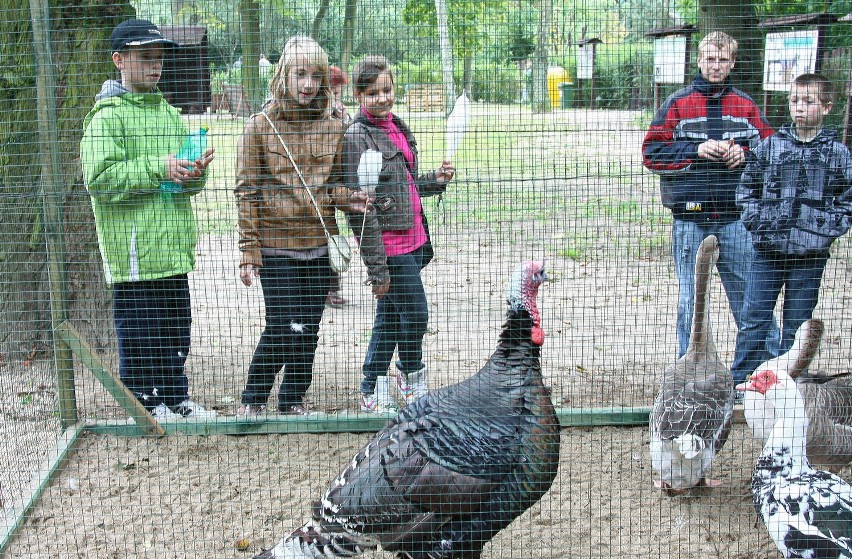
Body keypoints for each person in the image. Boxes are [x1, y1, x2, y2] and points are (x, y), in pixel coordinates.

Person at [80, 18, 217, 420]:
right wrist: (160, 166)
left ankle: (176, 400)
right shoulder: (105, 117)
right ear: (119, 60)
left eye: (159, 59)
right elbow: (100, 179)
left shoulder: (169, 114)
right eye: (145, 58)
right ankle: (145, 405)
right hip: (135, 255)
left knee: (176, 330)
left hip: (172, 249)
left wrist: (194, 172)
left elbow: (181, 184)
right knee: (142, 333)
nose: (155, 66)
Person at [234, 36, 373, 417]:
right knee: (282, 326)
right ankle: (253, 398)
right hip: (276, 244)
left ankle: (292, 400)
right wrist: (249, 249)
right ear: (284, 76)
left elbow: (335, 187)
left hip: (317, 244)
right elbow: (246, 191)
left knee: (307, 330)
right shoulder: (259, 126)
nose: (308, 84)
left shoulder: (337, 124)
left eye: (315, 75)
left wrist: (351, 199)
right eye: (300, 74)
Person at [642, 31, 780, 361]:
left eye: (722, 60)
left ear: (733, 63)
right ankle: (686, 373)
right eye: (709, 59)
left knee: (749, 296)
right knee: (691, 301)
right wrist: (696, 149)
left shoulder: (745, 105)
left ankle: (768, 372)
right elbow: (651, 153)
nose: (715, 66)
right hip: (690, 219)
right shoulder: (677, 103)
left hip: (736, 219)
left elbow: (774, 148)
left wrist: (745, 154)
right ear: (699, 60)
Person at [344, 55, 456, 413]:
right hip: (389, 246)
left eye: (387, 90)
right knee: (416, 314)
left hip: (414, 239)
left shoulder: (398, 126)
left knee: (390, 316)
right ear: (358, 95)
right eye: (373, 93)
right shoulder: (357, 136)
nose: (382, 98)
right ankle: (410, 377)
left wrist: (433, 182)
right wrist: (377, 269)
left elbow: (403, 186)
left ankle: (371, 388)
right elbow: (361, 211)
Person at [730, 73, 852, 383]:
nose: (799, 107)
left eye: (808, 101)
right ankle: (742, 381)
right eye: (794, 100)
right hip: (767, 251)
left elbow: (847, 200)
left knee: (797, 325)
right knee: (753, 319)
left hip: (810, 256)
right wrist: (759, 223)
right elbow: (747, 189)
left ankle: (790, 386)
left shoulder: (838, 155)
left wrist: (823, 230)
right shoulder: (770, 147)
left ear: (826, 107)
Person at [325, 65, 352, 308]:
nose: (336, 95)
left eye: (338, 91)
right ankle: (326, 288)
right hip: (314, 183)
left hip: (336, 180)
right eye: (332, 90)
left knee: (331, 232)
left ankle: (332, 288)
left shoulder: (339, 111)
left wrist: (343, 118)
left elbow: (351, 133)